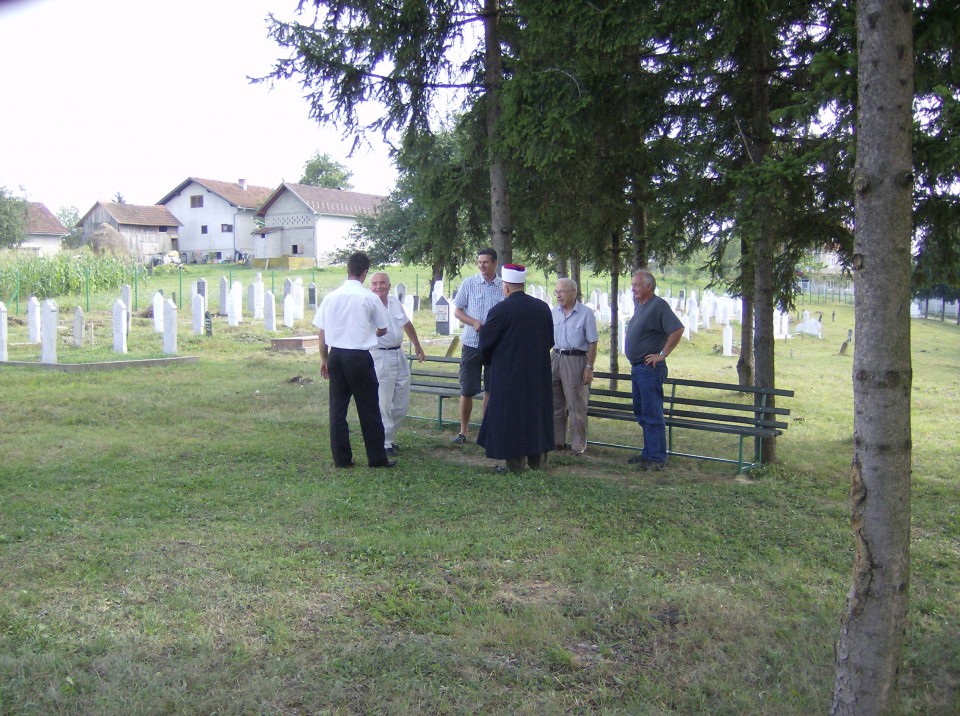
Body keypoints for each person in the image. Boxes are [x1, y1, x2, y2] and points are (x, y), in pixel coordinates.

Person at [313, 252, 397, 469]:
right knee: (368, 407)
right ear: (365, 272)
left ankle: (342, 458)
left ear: (347, 269)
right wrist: (368, 333)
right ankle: (377, 458)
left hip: (336, 355)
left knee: (337, 408)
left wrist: (324, 359)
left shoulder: (331, 297)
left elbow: (322, 332)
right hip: (358, 356)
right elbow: (383, 328)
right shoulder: (369, 297)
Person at [477, 264, 555, 473]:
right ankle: (538, 461)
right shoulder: (542, 308)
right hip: (537, 373)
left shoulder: (500, 310)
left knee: (511, 416)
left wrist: (491, 361)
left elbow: (485, 344)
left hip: (509, 375)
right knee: (535, 414)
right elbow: (550, 340)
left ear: (506, 287)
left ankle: (515, 464)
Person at [624, 270, 684, 471]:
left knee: (652, 413)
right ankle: (648, 453)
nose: (633, 289)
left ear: (649, 287)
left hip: (650, 369)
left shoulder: (658, 306)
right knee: (641, 410)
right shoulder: (641, 306)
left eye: (636, 285)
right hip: (638, 368)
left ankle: (657, 458)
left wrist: (662, 354)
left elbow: (677, 329)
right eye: (632, 285)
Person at [369, 271, 427, 458]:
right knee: (383, 401)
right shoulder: (369, 304)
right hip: (380, 356)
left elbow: (407, 324)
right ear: (371, 287)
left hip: (398, 353)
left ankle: (387, 435)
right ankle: (385, 443)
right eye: (375, 283)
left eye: (382, 283)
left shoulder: (394, 302)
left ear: (389, 285)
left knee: (401, 402)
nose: (379, 287)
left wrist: (417, 346)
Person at [451, 247, 504, 445]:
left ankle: (486, 430)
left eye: (486, 262)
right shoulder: (470, 283)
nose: (482, 266)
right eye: (479, 262)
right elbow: (457, 311)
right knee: (467, 389)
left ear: (494, 263)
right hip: (472, 344)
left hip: (494, 346)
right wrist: (473, 322)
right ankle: (463, 431)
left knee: (491, 389)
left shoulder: (502, 287)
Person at [551, 277, 599, 455]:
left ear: (573, 292)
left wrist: (589, 366)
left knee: (575, 403)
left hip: (575, 359)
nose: (559, 295)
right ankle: (557, 440)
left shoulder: (586, 314)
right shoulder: (554, 312)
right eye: (556, 292)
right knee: (555, 402)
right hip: (556, 357)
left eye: (562, 291)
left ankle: (578, 445)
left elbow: (592, 343)